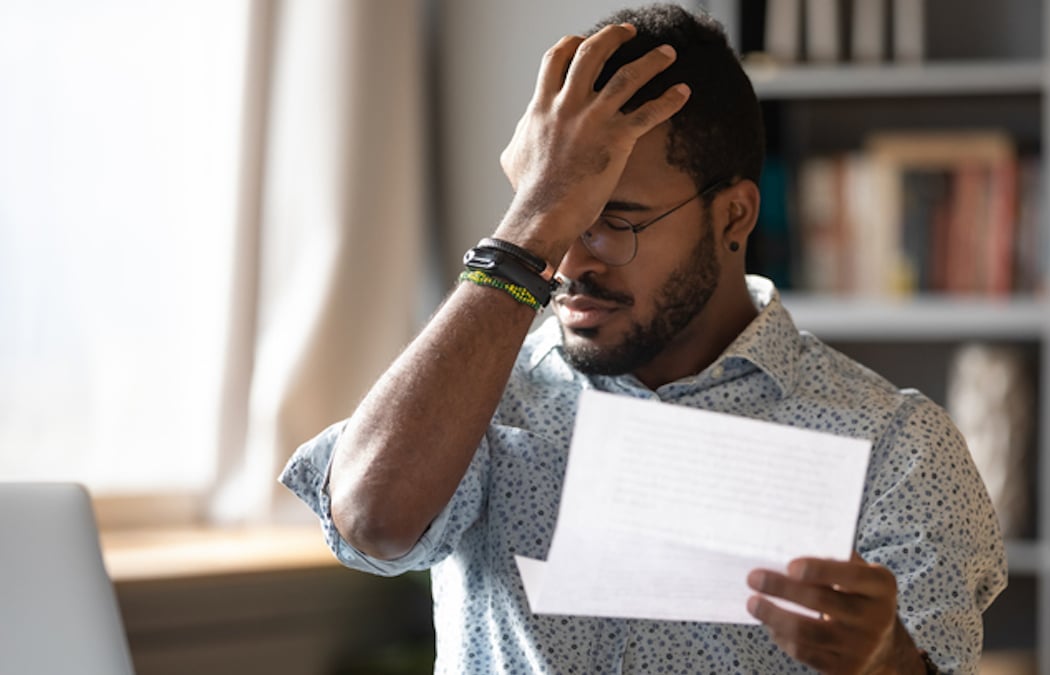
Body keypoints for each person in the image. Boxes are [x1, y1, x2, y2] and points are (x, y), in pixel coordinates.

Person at [280, 4, 1007, 673]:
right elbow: (372, 519)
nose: (568, 263)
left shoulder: (896, 447)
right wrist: (531, 221)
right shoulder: (480, 400)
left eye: (614, 221)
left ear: (733, 217)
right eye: (559, 216)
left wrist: (886, 660)